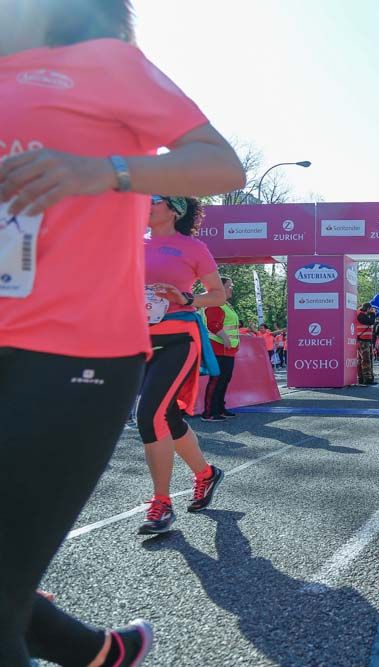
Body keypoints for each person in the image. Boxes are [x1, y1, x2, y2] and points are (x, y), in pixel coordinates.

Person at [0, 2, 245, 663]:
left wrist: (105, 172)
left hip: (77, 350)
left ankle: (174, 490)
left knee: (155, 413)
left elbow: (223, 166)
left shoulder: (103, 63)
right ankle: (100, 653)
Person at [137, 197, 226, 535]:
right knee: (168, 416)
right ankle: (206, 474)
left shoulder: (192, 247)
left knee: (148, 416)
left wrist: (186, 298)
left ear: (173, 209)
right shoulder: (131, 244)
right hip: (137, 340)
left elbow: (217, 294)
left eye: (154, 199)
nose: (146, 203)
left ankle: (162, 503)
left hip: (178, 338)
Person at [201, 277, 239, 422]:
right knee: (216, 380)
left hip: (228, 350)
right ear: (220, 288)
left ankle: (220, 408)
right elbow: (213, 325)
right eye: (229, 286)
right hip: (217, 348)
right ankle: (209, 412)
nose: (231, 288)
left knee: (224, 379)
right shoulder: (214, 303)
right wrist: (226, 339)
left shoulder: (225, 304)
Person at [355, 303, 377, 385]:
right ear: (367, 309)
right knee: (366, 360)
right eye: (370, 309)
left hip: (364, 340)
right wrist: (373, 314)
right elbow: (370, 322)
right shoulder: (360, 314)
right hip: (362, 340)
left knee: (362, 360)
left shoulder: (362, 314)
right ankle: (367, 379)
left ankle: (361, 378)